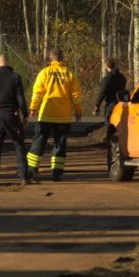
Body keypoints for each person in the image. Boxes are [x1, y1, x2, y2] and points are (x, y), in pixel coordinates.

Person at [27, 48, 82, 182]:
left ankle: (31, 169)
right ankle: (56, 172)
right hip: (63, 115)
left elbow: (37, 92)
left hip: (47, 113)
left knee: (39, 141)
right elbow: (76, 95)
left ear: (50, 59)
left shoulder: (44, 72)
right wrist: (78, 111)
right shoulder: (69, 74)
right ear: (62, 59)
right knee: (60, 143)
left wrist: (33, 108)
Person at [0, 54, 30, 185]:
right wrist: (24, 115)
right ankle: (24, 176)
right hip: (12, 115)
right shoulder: (15, 76)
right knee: (19, 145)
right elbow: (20, 98)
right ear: (7, 63)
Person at [94, 57, 127, 124]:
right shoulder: (122, 77)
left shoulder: (107, 79)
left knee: (108, 125)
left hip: (111, 105)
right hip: (121, 104)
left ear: (106, 66)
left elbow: (102, 93)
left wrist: (97, 105)